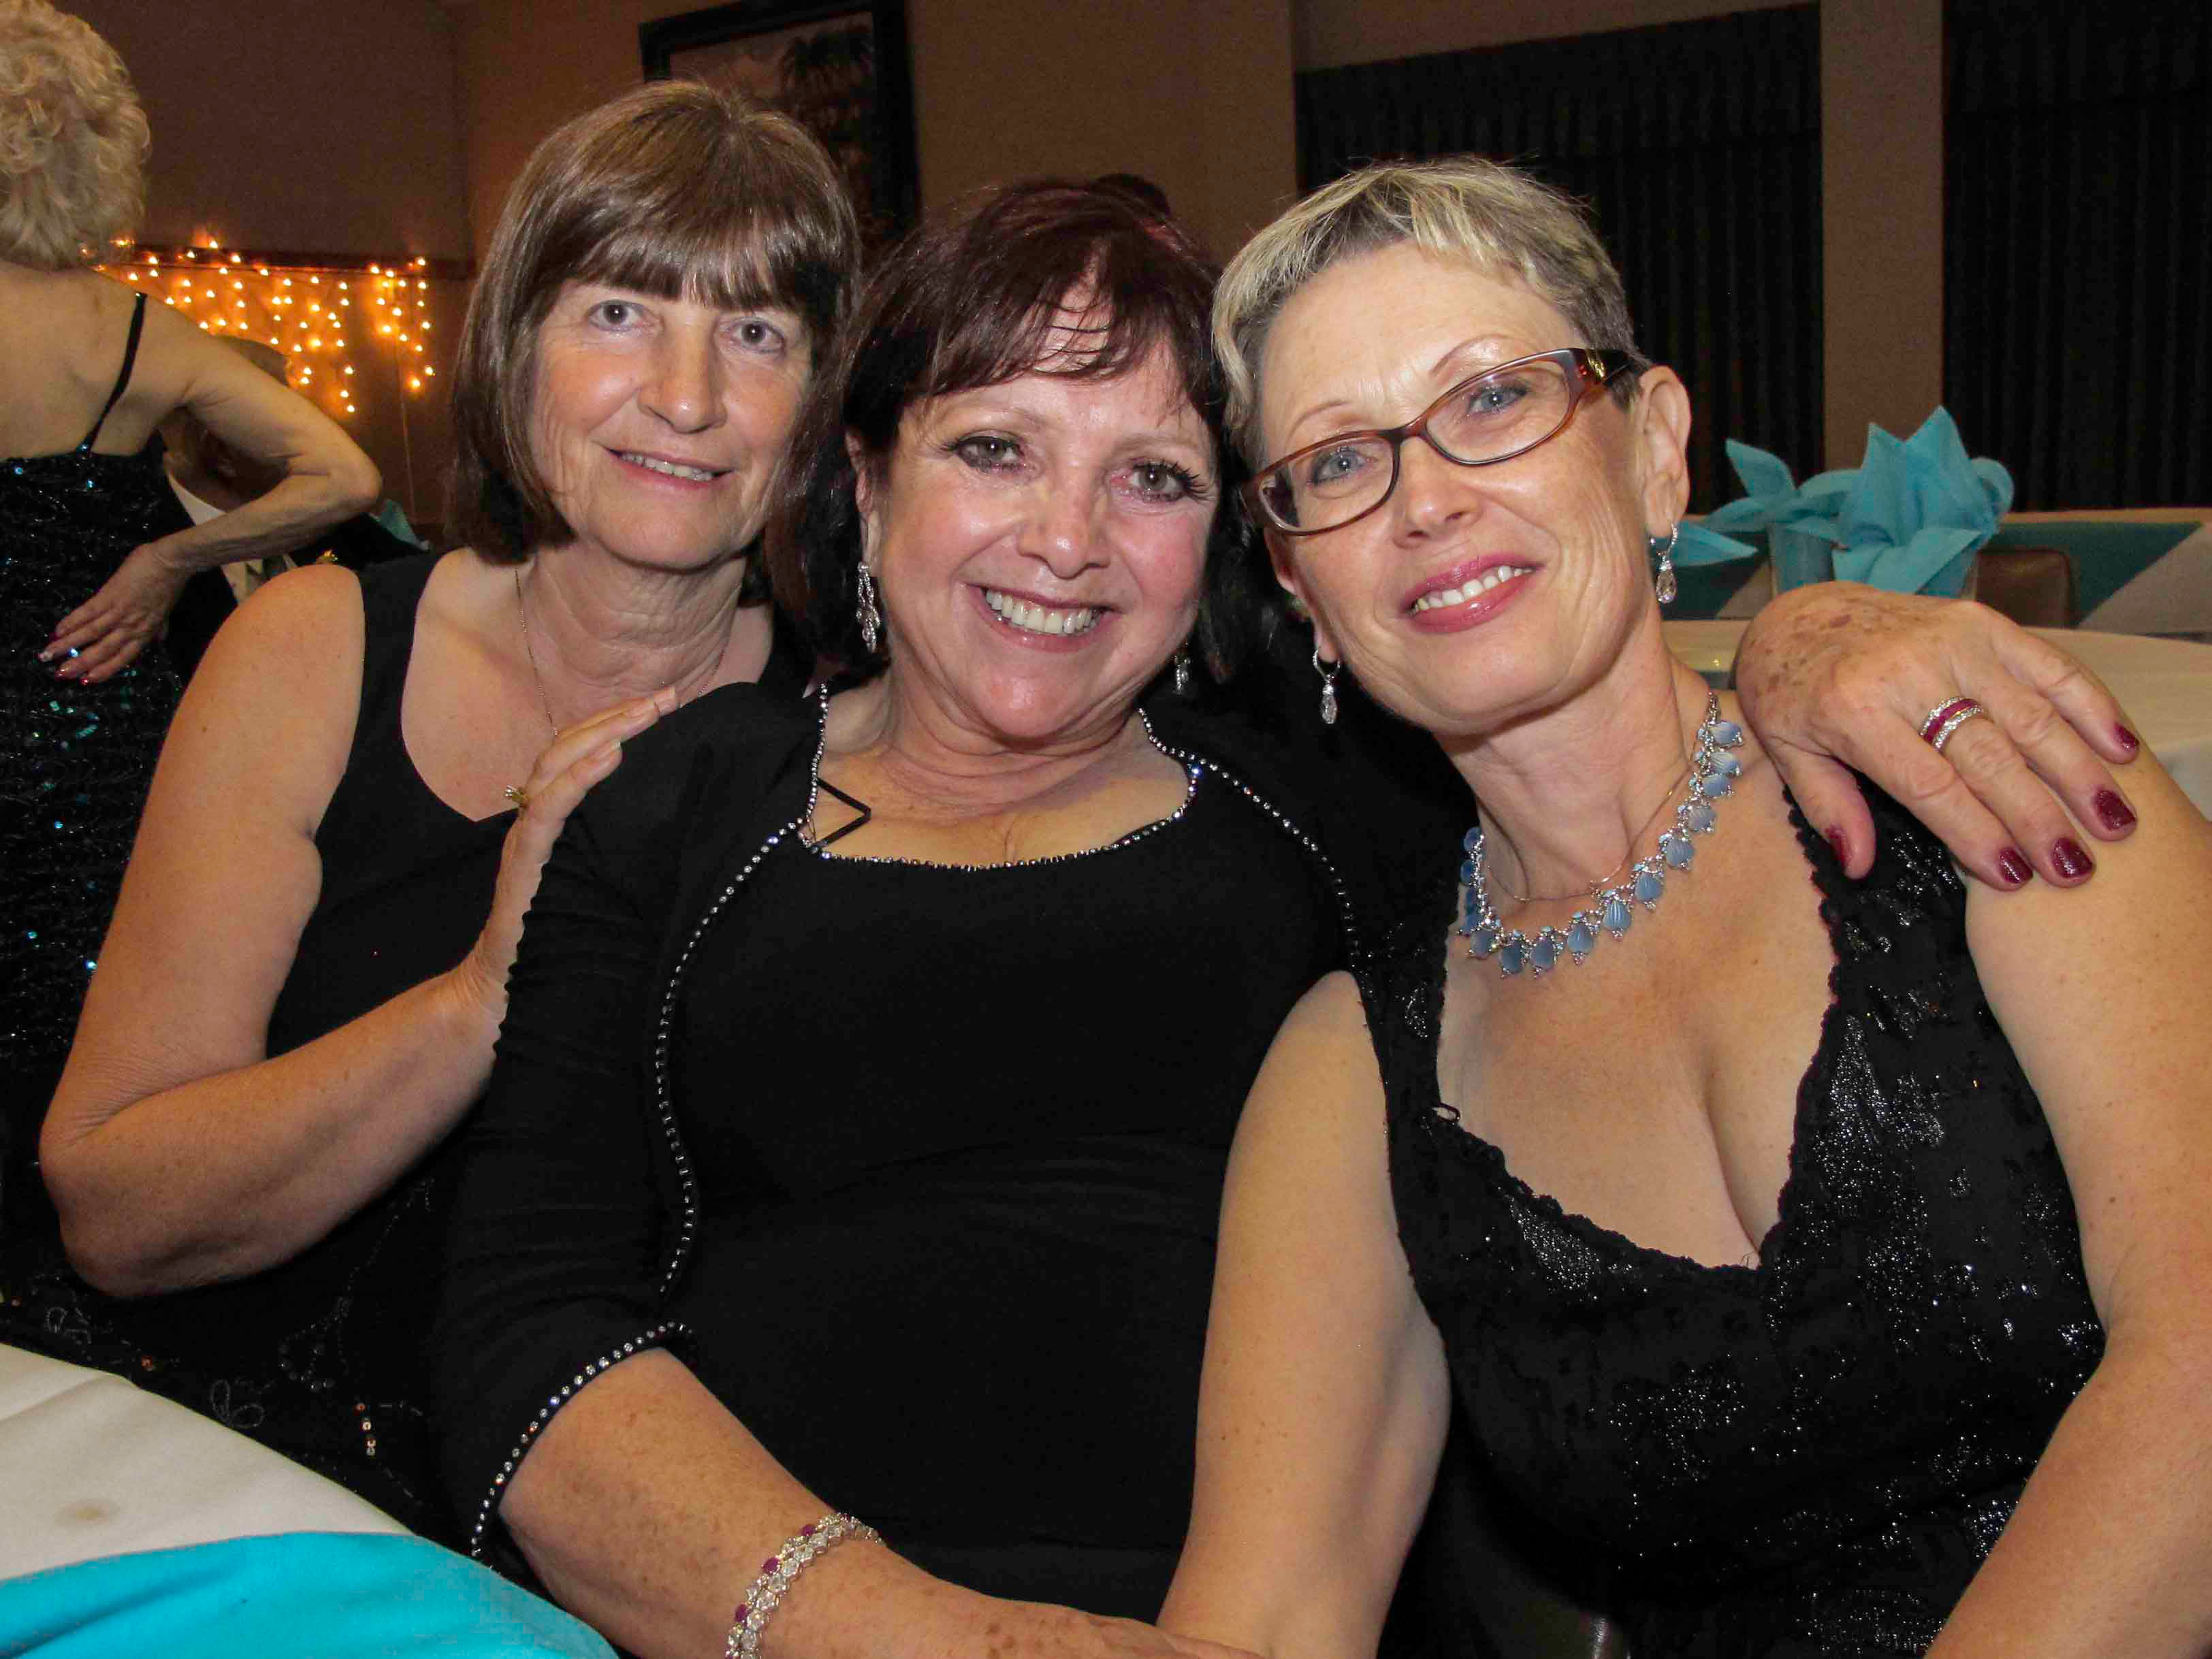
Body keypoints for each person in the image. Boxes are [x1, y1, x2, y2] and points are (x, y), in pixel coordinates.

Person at [429, 177, 2144, 1659]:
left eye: (1155, 476)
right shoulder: (687, 804)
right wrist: (913, 1635)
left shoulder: (1327, 816)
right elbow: (520, 1317)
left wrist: (1809, 635)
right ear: (867, 483)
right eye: (995, 447)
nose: (1065, 539)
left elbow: (1560, 701)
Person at [1161, 158, 2212, 1658]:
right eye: (1335, 463)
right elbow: (1262, 1617)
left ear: (1654, 449)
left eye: (1491, 398)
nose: (1426, 500)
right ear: (1296, 584)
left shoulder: (1973, 771)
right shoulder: (1353, 1080)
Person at [15, 80, 856, 1541]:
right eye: (618, 312)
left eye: (756, 334)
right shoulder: (315, 651)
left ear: (828, 400)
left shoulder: (859, 728)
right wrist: (478, 999)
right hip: (265, 1486)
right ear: (515, 344)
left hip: (648, 1505)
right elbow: (117, 1212)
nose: (686, 396)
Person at [0, 0, 378, 1162]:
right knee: (113, 1029)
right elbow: (347, 474)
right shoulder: (136, 332)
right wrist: (166, 559)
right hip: (106, 722)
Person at [158, 335, 420, 682]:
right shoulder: (145, 558)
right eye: (289, 428)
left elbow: (420, 581)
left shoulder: (325, 517)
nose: (314, 444)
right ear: (223, 455)